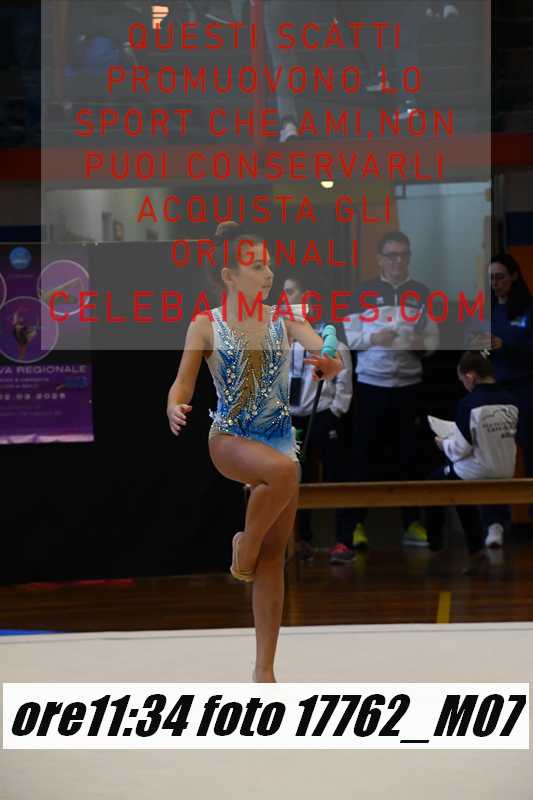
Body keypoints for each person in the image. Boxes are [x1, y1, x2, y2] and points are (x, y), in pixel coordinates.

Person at [166, 222, 343, 682]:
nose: (269, 274)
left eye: (269, 265)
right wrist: (174, 405)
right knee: (284, 475)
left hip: (279, 439)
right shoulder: (206, 324)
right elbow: (183, 382)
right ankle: (244, 543)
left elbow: (326, 346)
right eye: (258, 266)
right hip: (229, 439)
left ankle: (264, 669)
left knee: (273, 555)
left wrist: (329, 360)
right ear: (229, 276)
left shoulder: (284, 317)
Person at [339, 230, 439, 557]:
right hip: (372, 385)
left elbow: (433, 339)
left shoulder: (421, 292)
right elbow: (349, 338)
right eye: (392, 255)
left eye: (404, 255)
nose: (398, 261)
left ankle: (412, 523)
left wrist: (422, 346)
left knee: (411, 457)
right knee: (362, 458)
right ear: (380, 259)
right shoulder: (363, 292)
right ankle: (354, 525)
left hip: (409, 385)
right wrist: (373, 339)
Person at [426, 351, 519, 572]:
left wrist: (443, 443)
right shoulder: (512, 400)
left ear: (470, 376)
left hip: (480, 471)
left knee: (432, 484)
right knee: (459, 483)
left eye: (462, 381)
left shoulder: (468, 403)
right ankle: (477, 546)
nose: (464, 385)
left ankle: (437, 546)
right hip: (507, 470)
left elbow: (460, 449)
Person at [284, 278, 353, 562]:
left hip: (323, 415)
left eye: (290, 292)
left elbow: (344, 382)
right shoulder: (283, 337)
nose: (285, 299)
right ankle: (301, 541)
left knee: (336, 477)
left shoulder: (327, 339)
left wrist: (335, 412)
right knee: (295, 480)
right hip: (292, 417)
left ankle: (343, 541)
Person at [486, 252, 533, 537]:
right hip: (498, 388)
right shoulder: (488, 311)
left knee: (530, 453)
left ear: (514, 276)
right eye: (491, 279)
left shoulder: (528, 309)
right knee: (496, 456)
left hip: (526, 387)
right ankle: (495, 523)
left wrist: (506, 346)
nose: (495, 284)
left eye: (500, 277)